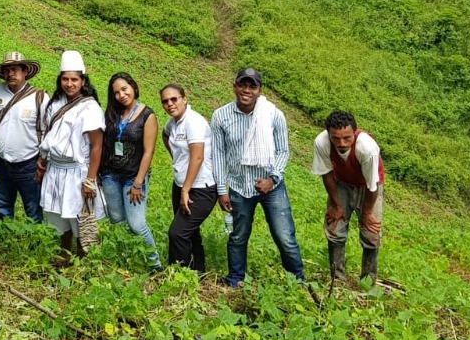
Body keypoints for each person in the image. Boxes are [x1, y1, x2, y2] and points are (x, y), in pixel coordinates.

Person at [211, 68, 304, 287]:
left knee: (285, 237)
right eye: (243, 85)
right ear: (234, 86)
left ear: (259, 91)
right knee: (238, 236)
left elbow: (283, 151)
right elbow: (218, 154)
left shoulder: (273, 115)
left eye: (252, 86)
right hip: (239, 186)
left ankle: (298, 281)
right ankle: (236, 278)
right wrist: (222, 190)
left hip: (272, 187)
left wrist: (272, 179)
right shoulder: (221, 116)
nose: (246, 90)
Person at [37, 50, 105, 262]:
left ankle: (82, 261)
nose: (69, 84)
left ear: (83, 81)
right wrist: (43, 162)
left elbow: (97, 146)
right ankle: (63, 257)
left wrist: (90, 180)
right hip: (55, 170)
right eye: (65, 79)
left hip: (77, 172)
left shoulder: (90, 108)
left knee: (80, 219)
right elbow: (49, 135)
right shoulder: (55, 104)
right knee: (59, 216)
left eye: (74, 79)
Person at [311, 110, 385, 284]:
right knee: (334, 227)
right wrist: (336, 205)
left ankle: (368, 281)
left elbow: (372, 185)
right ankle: (337, 279)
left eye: (347, 138)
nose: (342, 143)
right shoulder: (321, 142)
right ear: (329, 134)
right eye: (336, 138)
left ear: (355, 133)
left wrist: (367, 213)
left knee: (371, 233)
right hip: (342, 182)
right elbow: (327, 173)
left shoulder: (367, 148)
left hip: (369, 187)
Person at [100, 72, 162, 272]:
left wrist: (138, 183)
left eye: (124, 89)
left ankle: (155, 264)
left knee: (137, 223)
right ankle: (127, 257)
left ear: (133, 87)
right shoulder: (113, 113)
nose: (121, 95)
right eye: (116, 93)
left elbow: (149, 151)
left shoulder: (147, 115)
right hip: (110, 174)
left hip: (133, 177)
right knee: (117, 219)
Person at [0, 52, 45, 222]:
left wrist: (43, 161)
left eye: (15, 69)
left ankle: (34, 242)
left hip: (28, 165)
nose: (10, 74)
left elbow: (49, 131)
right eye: (7, 70)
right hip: (1, 162)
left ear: (25, 72)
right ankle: (5, 237)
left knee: (33, 208)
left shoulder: (39, 97)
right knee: (2, 205)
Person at [160, 83, 217, 273]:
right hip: (181, 184)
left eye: (174, 99)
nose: (170, 104)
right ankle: (197, 272)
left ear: (184, 99)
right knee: (190, 233)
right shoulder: (174, 122)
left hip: (200, 188)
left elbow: (198, 157)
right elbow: (165, 135)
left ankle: (179, 275)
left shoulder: (194, 121)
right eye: (165, 101)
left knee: (177, 233)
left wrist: (185, 189)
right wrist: (178, 159)